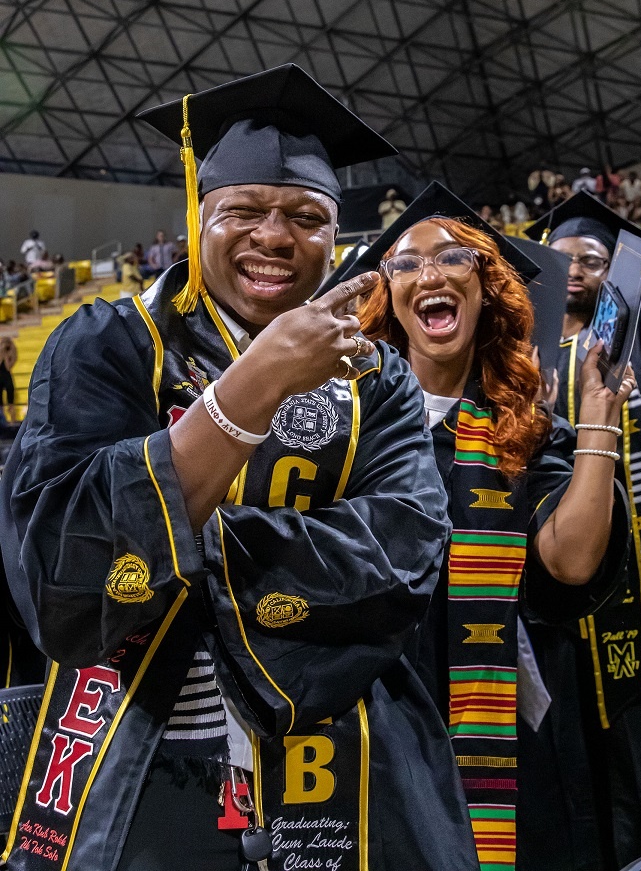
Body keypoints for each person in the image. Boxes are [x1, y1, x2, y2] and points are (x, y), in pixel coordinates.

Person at [0, 64, 478, 871]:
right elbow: (60, 577)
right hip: (139, 755)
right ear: (196, 217)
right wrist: (251, 390)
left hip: (347, 748)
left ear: (337, 233)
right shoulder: (109, 345)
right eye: (244, 210)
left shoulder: (379, 375)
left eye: (305, 215)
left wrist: (189, 532)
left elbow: (403, 555)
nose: (275, 235)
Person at [349, 182, 632, 871]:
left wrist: (597, 423)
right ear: (387, 294)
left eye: (453, 258)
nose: (431, 273)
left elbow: (570, 562)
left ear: (487, 290)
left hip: (497, 724)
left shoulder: (528, 435)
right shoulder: (347, 424)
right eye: (407, 263)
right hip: (371, 720)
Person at [521, 192, 641, 869]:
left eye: (595, 259)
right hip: (563, 611)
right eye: (565, 261)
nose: (579, 270)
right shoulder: (523, 357)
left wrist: (638, 270)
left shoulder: (640, 336)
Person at [0, 336, 17, 424]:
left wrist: (6, 355)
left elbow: (8, 367)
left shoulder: (12, 351)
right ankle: (3, 421)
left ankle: (13, 421)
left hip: (7, 376)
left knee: (11, 401)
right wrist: (2, 352)